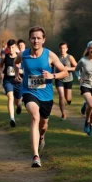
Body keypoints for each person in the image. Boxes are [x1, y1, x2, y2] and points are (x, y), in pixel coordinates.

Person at [14, 26, 68, 167]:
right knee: (34, 116)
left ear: (43, 40)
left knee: (43, 125)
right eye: (33, 38)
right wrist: (16, 74)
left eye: (38, 38)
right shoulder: (23, 54)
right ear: (29, 39)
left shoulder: (49, 55)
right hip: (29, 92)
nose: (36, 40)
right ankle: (35, 156)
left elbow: (65, 72)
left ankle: (42, 136)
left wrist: (52, 75)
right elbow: (16, 62)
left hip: (46, 95)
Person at [0, 39, 23, 127]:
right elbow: (1, 65)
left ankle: (19, 105)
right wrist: (1, 72)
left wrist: (21, 71)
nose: (11, 49)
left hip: (18, 81)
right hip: (8, 80)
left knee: (17, 100)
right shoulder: (5, 57)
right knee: (10, 97)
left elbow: (25, 68)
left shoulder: (20, 57)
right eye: (9, 48)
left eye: (13, 47)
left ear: (16, 47)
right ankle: (12, 119)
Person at [55, 41, 77, 120]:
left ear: (67, 49)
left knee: (68, 98)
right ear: (59, 49)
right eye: (61, 48)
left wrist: (69, 68)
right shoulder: (57, 58)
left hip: (68, 79)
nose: (62, 50)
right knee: (61, 96)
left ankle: (69, 100)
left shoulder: (70, 57)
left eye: (64, 48)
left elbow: (76, 67)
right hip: (59, 79)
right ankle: (63, 114)